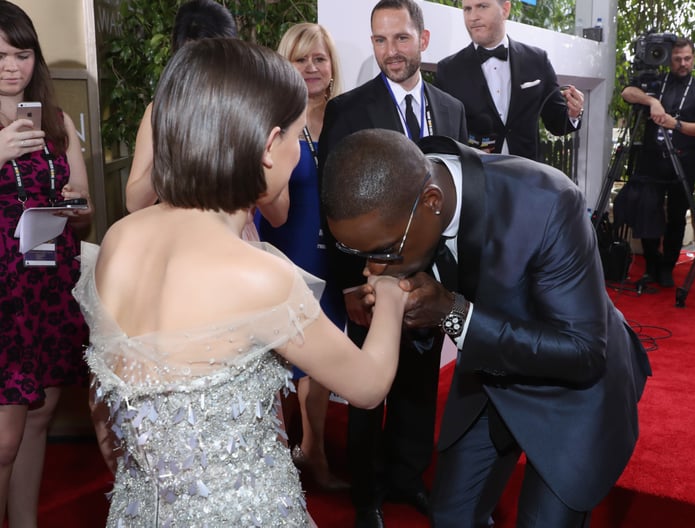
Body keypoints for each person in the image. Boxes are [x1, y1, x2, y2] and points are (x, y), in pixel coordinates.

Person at [72, 38, 408, 527]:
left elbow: (103, 409)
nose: (298, 156)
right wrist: (394, 290)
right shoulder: (258, 275)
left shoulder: (121, 238)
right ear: (269, 147)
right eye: (296, 137)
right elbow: (368, 385)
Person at [321, 128, 652, 528]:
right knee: (451, 517)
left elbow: (582, 351)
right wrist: (414, 317)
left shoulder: (549, 201)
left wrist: (451, 312)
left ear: (432, 203)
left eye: (381, 252)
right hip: (489, 378)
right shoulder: (403, 200)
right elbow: (435, 316)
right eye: (357, 253)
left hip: (574, 389)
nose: (370, 269)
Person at [317, 1, 467, 525]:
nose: (390, 52)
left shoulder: (451, 109)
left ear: (423, 40)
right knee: (367, 395)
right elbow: (333, 206)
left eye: (400, 39)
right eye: (380, 40)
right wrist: (349, 289)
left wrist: (448, 278)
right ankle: (368, 497)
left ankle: (408, 477)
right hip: (371, 277)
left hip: (427, 277)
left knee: (421, 384)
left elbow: (452, 199)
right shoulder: (347, 110)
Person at [0, 2, 93, 525]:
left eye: (21, 54)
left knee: (39, 420)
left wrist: (77, 203)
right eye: (0, 55)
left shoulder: (56, 123)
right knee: (4, 439)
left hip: (49, 283)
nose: (11, 66)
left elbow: (83, 213)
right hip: (3, 292)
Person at [254, 22, 349, 492]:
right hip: (282, 251)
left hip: (335, 259)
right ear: (284, 66)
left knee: (320, 362)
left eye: (319, 58)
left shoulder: (348, 116)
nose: (311, 67)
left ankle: (314, 452)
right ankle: (271, 459)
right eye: (300, 59)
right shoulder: (270, 120)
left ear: (332, 67)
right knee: (275, 362)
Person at [124, 0, 237, 213]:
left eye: (210, 58)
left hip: (231, 233)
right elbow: (135, 203)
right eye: (190, 58)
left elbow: (275, 207)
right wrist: (172, 149)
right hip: (175, 233)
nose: (200, 69)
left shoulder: (245, 108)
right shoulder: (159, 112)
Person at [435, 0, 584, 160]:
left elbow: (556, 123)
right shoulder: (448, 70)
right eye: (467, 9)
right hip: (474, 177)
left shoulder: (537, 60)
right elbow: (442, 136)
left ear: (505, 9)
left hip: (527, 175)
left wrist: (573, 113)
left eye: (482, 6)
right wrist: (467, 152)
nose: (473, 17)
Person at [618, 37, 695, 287]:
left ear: (693, 58)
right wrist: (652, 101)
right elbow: (627, 93)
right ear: (670, 59)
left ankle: (668, 267)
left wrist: (676, 124)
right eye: (677, 59)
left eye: (687, 58)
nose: (683, 63)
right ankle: (651, 265)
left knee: (677, 217)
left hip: (684, 162)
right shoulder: (657, 83)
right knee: (647, 212)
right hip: (652, 160)